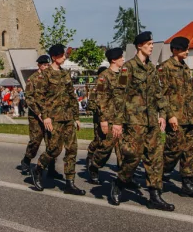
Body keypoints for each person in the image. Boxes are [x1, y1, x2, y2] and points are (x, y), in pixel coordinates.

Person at [106, 31, 174, 211]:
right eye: (149, 44)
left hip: (151, 120)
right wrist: (118, 123)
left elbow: (158, 94)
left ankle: (155, 195)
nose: (152, 46)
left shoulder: (152, 68)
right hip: (134, 121)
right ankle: (119, 183)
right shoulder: (127, 68)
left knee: (155, 158)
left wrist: (165, 114)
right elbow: (119, 95)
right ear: (139, 46)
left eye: (152, 43)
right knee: (133, 157)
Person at [28, 44, 85, 195]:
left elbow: (72, 97)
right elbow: (40, 98)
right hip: (53, 118)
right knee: (54, 149)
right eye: (61, 55)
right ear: (54, 57)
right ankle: (38, 169)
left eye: (64, 55)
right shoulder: (45, 75)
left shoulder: (65, 74)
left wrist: (77, 117)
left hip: (67, 118)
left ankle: (69, 183)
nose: (64, 57)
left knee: (72, 149)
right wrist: (45, 116)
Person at [160, 37, 193, 199]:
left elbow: (190, 91)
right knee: (173, 151)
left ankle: (187, 181)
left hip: (190, 117)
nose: (188, 51)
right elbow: (162, 95)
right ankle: (159, 173)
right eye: (185, 49)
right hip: (177, 117)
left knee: (191, 151)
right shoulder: (165, 68)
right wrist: (169, 115)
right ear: (176, 50)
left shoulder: (185, 68)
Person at [86, 48, 125, 184]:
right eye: (120, 57)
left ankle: (124, 176)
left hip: (121, 118)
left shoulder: (123, 75)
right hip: (108, 118)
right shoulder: (103, 77)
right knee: (106, 147)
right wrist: (102, 120)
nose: (123, 59)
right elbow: (100, 99)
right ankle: (94, 166)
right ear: (113, 60)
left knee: (123, 148)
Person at [18, 56, 52, 174]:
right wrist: (38, 113)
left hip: (50, 115)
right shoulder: (32, 79)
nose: (47, 67)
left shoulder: (51, 78)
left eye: (48, 65)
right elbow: (29, 98)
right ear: (39, 65)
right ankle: (27, 160)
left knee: (52, 142)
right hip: (36, 116)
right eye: (44, 65)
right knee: (35, 141)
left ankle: (51, 168)